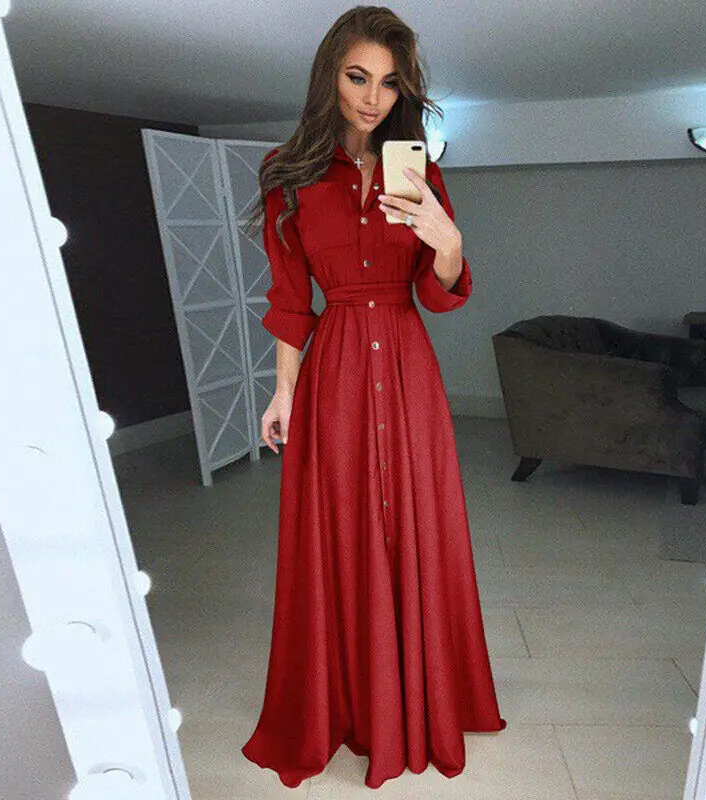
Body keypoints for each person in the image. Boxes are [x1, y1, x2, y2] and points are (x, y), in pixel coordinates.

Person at [241, 6, 506, 790]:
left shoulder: (420, 172)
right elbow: (291, 299)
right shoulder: (286, 172)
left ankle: (421, 692)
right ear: (329, 74)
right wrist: (282, 391)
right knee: (342, 526)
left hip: (408, 363)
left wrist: (449, 244)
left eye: (389, 84)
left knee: (419, 524)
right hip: (336, 368)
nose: (372, 97)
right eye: (358, 77)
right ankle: (353, 699)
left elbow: (439, 292)